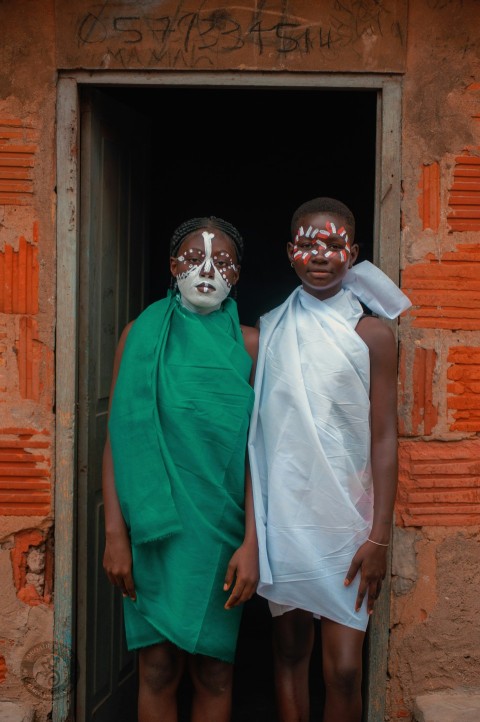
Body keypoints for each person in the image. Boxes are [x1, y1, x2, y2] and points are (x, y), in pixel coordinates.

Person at [248, 197, 411, 722]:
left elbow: (384, 438)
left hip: (350, 523)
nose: (321, 254)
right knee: (291, 650)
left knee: (342, 667)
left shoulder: (374, 337)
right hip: (288, 519)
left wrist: (379, 535)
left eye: (334, 243)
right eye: (308, 243)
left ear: (353, 252)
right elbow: (258, 437)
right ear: (289, 252)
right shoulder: (269, 331)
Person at [102, 216, 259, 722]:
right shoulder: (140, 336)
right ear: (173, 267)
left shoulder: (252, 345)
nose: (208, 269)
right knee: (157, 668)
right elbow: (120, 437)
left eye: (223, 260)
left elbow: (264, 453)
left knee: (214, 670)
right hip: (153, 534)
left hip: (221, 532)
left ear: (238, 274)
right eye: (194, 258)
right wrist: (115, 535)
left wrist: (253, 544)